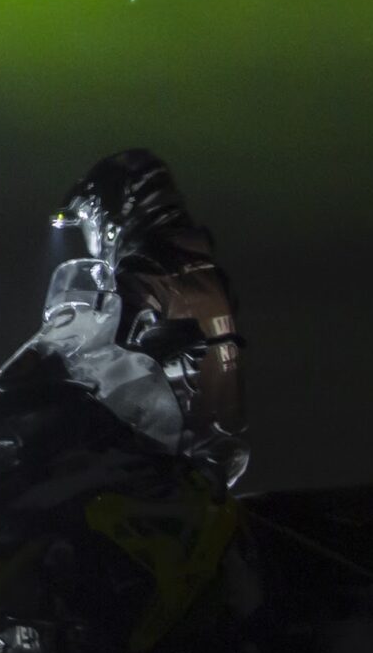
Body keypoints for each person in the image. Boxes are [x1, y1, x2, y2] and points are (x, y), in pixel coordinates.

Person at [53, 148, 249, 484]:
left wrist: (55, 374)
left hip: (151, 458)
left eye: (87, 217)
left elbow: (99, 357)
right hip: (202, 451)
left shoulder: (143, 275)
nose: (87, 231)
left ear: (109, 212)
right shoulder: (206, 271)